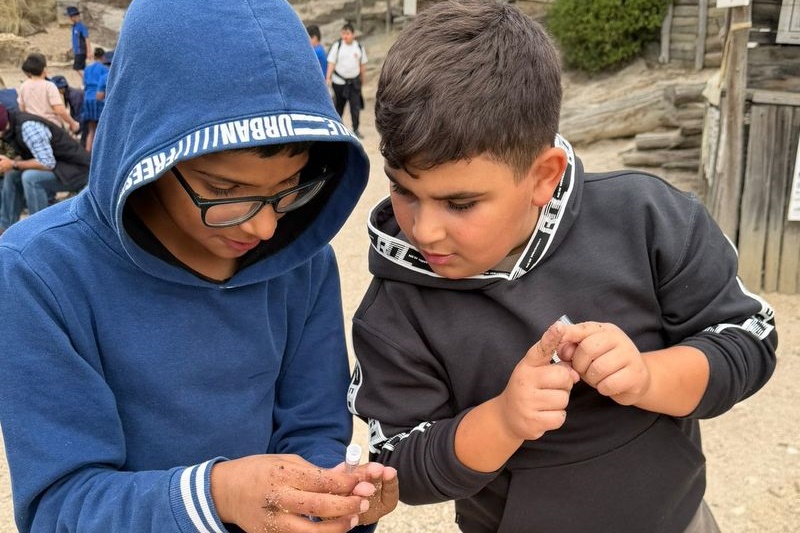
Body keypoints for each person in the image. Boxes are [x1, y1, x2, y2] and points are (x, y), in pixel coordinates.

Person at [346, 2, 778, 533]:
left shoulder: (647, 218)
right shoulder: (392, 310)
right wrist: (502, 420)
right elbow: (399, 467)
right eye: (403, 189)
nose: (425, 229)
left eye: (459, 203)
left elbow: (750, 340)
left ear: (543, 177)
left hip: (680, 519)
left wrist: (648, 376)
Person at [0, 1, 397, 532]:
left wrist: (331, 497)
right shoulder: (38, 273)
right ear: (144, 151)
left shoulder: (301, 261)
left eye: (289, 188)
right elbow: (59, 506)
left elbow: (313, 430)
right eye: (225, 190)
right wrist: (216, 495)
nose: (265, 228)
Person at [0, 102, 89, 233]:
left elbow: (47, 163)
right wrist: (10, 164)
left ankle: (39, 229)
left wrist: (14, 164)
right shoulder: (11, 125)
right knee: (12, 174)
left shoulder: (28, 127)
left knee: (30, 177)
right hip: (60, 168)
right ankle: (5, 227)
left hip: (79, 171)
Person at [16, 52, 81, 133]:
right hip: (51, 127)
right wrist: (73, 123)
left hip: (32, 127)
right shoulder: (49, 86)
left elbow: (22, 109)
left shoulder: (24, 86)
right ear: (44, 69)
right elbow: (60, 110)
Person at [326, 23, 367, 139]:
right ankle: (337, 128)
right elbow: (331, 63)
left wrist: (363, 79)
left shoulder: (359, 47)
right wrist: (328, 77)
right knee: (338, 107)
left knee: (355, 107)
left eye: (348, 33)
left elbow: (362, 65)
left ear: (353, 34)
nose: (345, 36)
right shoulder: (337, 46)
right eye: (343, 33)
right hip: (339, 82)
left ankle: (356, 129)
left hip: (354, 83)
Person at [81, 47, 110, 152]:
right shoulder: (105, 69)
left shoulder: (87, 69)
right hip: (98, 100)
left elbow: (84, 84)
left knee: (91, 130)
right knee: (101, 130)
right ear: (103, 57)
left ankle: (88, 154)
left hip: (87, 99)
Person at [66, 6, 91, 79]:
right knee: (82, 68)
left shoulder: (81, 26)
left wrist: (89, 51)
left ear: (73, 17)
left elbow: (86, 39)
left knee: (77, 68)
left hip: (81, 51)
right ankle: (85, 82)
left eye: (70, 17)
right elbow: (76, 40)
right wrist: (71, 49)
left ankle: (87, 81)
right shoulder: (74, 27)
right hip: (77, 51)